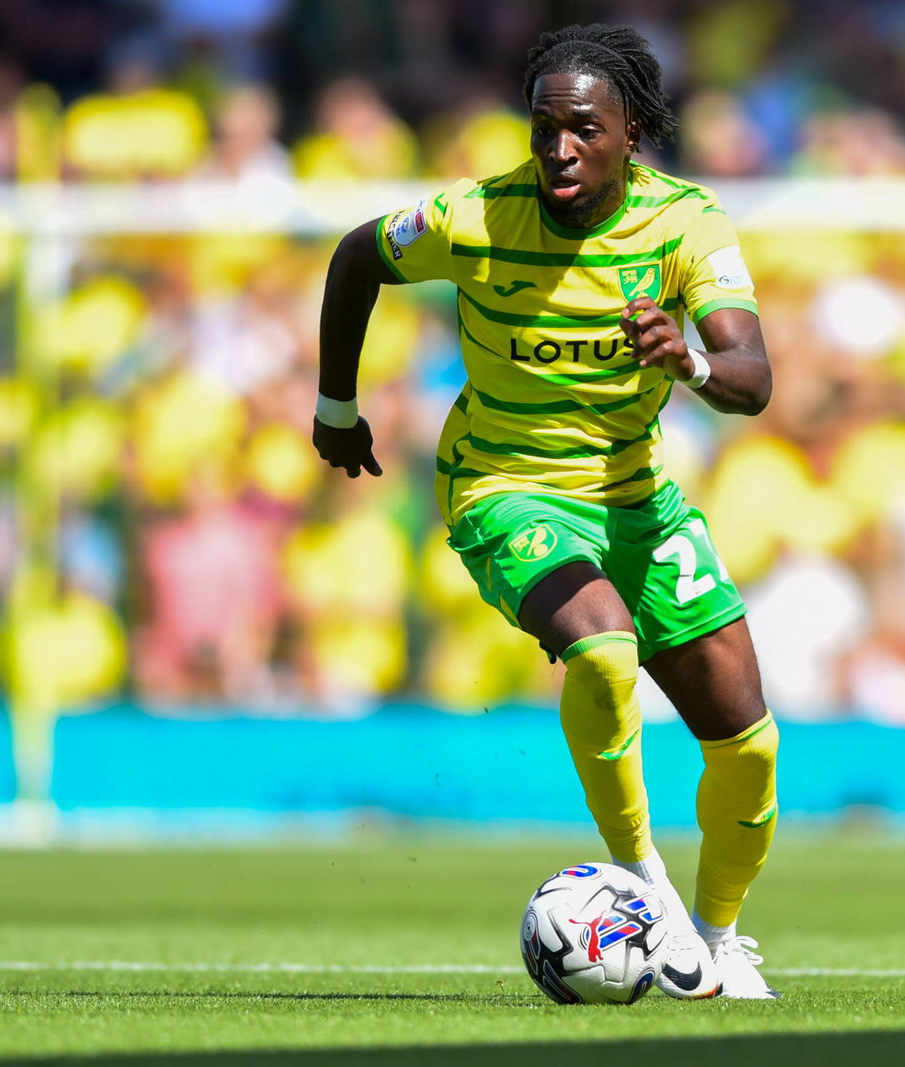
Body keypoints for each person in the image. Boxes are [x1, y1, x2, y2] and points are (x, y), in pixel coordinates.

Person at [313, 24, 780, 1000]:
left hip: (636, 501)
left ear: (631, 132)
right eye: (542, 130)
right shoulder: (474, 216)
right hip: (505, 486)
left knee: (747, 743)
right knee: (602, 648)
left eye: (582, 130)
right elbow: (358, 255)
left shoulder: (686, 225)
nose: (558, 149)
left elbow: (752, 377)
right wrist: (336, 404)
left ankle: (719, 933)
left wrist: (686, 358)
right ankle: (644, 892)